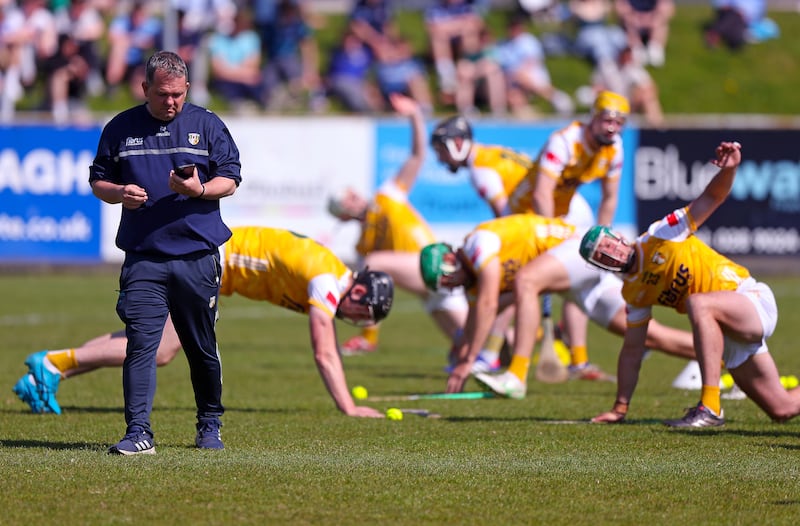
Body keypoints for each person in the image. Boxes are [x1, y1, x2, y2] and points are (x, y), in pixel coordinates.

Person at [13, 226, 394, 421]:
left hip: (208, 260)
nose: (356, 321)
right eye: (362, 315)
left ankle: (47, 374)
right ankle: (51, 363)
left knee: (143, 338)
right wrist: (348, 406)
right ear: (359, 292)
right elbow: (324, 352)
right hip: (207, 264)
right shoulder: (327, 282)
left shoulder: (332, 274)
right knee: (161, 350)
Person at [579, 140, 800, 427]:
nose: (610, 253)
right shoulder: (632, 291)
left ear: (619, 236)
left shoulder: (661, 235)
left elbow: (712, 198)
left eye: (608, 245)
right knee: (782, 409)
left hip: (748, 299)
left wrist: (729, 170)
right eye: (601, 256)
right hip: (727, 334)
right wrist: (620, 408)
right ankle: (712, 405)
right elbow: (632, 350)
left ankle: (710, 406)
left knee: (698, 303)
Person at [86, 51, 241, 455]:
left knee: (200, 346)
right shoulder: (120, 128)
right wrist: (119, 192)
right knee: (140, 345)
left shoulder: (207, 125)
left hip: (197, 257)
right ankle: (138, 432)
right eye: (162, 94)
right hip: (144, 258)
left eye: (177, 94)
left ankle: (209, 423)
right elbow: (98, 182)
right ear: (145, 88)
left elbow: (230, 179)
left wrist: (200, 190)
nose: (170, 102)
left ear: (187, 88)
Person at [419, 214, 696, 398]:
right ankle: (715, 357)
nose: (451, 288)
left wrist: (468, 361)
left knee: (526, 281)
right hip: (573, 278)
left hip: (580, 250)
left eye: (446, 280)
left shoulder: (477, 243)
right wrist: (462, 354)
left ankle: (516, 376)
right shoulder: (472, 282)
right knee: (648, 336)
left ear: (450, 261)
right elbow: (476, 318)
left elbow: (489, 303)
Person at [327, 93, 467, 355]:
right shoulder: (364, 242)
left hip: (436, 264)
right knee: (468, 346)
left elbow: (417, 155)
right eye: (346, 202)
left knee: (373, 264)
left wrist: (414, 115)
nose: (354, 199)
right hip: (426, 286)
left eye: (352, 194)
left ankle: (368, 339)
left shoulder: (387, 196)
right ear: (343, 216)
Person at [614, 0, 675, 67]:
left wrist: (652, 18)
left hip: (653, 18)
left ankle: (655, 50)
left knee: (660, 24)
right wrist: (634, 18)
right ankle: (636, 50)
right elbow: (620, 6)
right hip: (633, 19)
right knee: (629, 25)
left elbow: (667, 7)